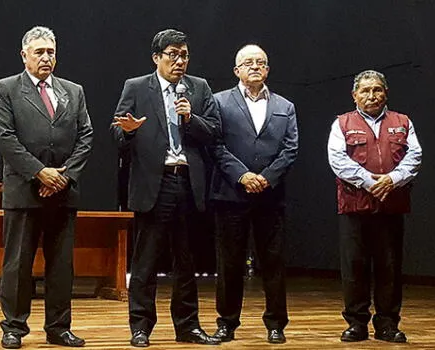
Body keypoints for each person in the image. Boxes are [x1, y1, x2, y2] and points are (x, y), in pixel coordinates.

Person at [111, 28, 221, 348]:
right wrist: (128, 132)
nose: (179, 61)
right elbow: (116, 134)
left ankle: (188, 326)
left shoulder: (198, 88)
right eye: (172, 55)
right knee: (146, 260)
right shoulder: (136, 87)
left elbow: (214, 132)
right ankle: (141, 327)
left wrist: (190, 119)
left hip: (187, 181)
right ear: (156, 58)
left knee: (186, 261)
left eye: (184, 55)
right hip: (152, 182)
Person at [0, 26, 93, 349]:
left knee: (62, 266)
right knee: (18, 265)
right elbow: (4, 138)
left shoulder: (73, 91)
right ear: (24, 56)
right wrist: (40, 173)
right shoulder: (6, 89)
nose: (46, 57)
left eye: (51, 51)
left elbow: (86, 136)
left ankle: (59, 327)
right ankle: (14, 328)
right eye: (39, 52)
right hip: (24, 192)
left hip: (62, 193)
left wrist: (63, 176)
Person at [209, 44, 298, 344]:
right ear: (236, 70)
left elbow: (290, 149)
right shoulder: (219, 102)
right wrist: (243, 175)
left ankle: (276, 324)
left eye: (261, 62)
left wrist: (266, 178)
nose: (255, 66)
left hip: (270, 196)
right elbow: (216, 146)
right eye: (248, 62)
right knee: (229, 263)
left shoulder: (285, 106)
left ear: (268, 69)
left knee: (273, 262)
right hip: (231, 194)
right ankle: (226, 323)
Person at [327, 70, 422, 343]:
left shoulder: (402, 122)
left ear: (386, 93)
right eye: (365, 90)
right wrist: (371, 183)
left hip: (391, 206)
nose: (372, 95)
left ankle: (387, 324)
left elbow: (414, 155)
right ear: (354, 95)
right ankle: (356, 323)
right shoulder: (342, 123)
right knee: (354, 266)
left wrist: (393, 179)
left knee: (389, 267)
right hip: (355, 206)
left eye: (377, 90)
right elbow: (338, 160)